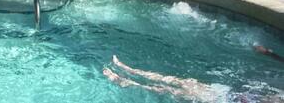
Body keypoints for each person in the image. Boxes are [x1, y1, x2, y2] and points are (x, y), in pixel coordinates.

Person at [103, 55, 284, 103]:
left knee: (167, 89)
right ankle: (129, 69)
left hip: (216, 100)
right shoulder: (275, 97)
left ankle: (126, 81)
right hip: (223, 91)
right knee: (179, 80)